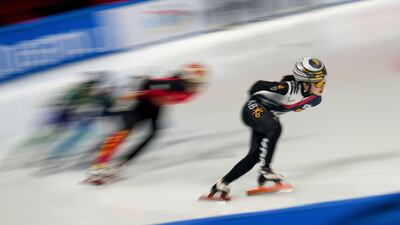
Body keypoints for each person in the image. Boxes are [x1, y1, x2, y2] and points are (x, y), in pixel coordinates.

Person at [205, 57, 327, 200]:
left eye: (323, 81)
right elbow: (257, 86)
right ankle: (266, 170)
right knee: (275, 128)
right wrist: (257, 105)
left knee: (255, 156)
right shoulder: (287, 88)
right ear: (305, 82)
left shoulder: (315, 100)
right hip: (253, 108)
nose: (323, 85)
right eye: (318, 82)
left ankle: (221, 184)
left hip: (265, 116)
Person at [86, 63, 208, 183]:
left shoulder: (190, 91)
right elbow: (147, 83)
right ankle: (98, 165)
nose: (196, 87)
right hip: (143, 102)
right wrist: (136, 95)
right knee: (125, 131)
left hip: (156, 103)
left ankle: (122, 163)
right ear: (185, 80)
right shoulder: (173, 83)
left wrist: (160, 99)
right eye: (194, 83)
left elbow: (165, 94)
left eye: (199, 83)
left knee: (153, 133)